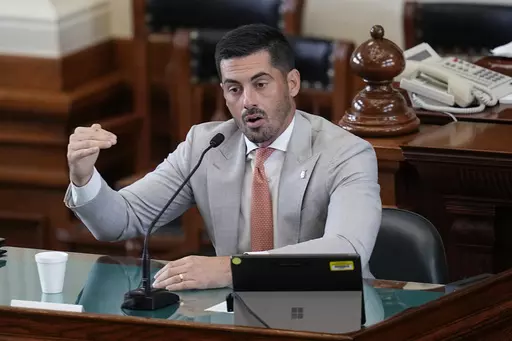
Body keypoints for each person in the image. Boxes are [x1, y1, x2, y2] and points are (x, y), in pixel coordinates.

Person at [64, 23, 382, 292]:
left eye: (260, 84)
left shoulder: (346, 152)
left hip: (334, 309)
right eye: (234, 89)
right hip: (235, 316)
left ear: (292, 83)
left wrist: (234, 270)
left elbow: (346, 253)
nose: (248, 101)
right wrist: (84, 177)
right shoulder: (206, 145)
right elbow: (121, 220)